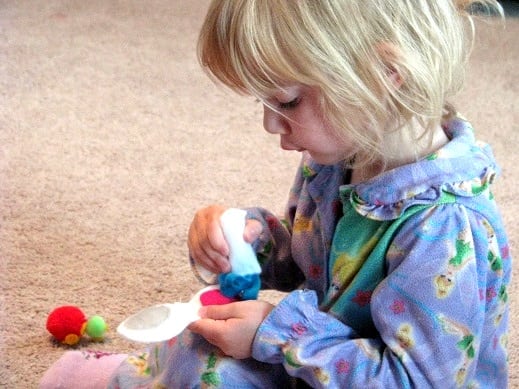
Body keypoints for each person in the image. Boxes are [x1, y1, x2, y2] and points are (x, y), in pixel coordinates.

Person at [40, 0, 511, 388]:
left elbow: (417, 380)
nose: (269, 124)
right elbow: (317, 267)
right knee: (203, 334)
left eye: (286, 101)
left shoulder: (445, 227)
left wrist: (281, 334)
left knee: (219, 371)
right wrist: (248, 245)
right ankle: (144, 377)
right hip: (330, 356)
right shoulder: (341, 156)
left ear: (385, 73)